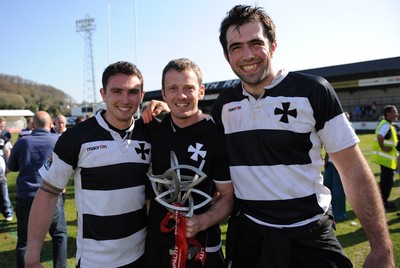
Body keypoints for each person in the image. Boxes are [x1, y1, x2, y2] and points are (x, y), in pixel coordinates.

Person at [143, 5, 394, 267]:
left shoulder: (313, 91)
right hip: (250, 238)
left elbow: (353, 169)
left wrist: (381, 246)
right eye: (236, 47)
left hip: (309, 234)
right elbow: (194, 122)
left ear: (273, 45)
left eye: (256, 43)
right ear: (227, 56)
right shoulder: (226, 104)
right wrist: (162, 108)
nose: (247, 54)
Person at [24, 61, 151, 267]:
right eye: (117, 91)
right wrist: (32, 255)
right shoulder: (76, 137)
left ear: (142, 95)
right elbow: (47, 194)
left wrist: (162, 106)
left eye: (133, 92)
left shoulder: (149, 133)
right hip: (95, 261)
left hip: (142, 256)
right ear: (103, 94)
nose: (125, 99)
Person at [144, 58, 233, 267]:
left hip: (200, 248)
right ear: (163, 93)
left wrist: (203, 221)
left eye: (188, 88)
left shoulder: (216, 134)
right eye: (172, 88)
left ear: (201, 91)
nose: (181, 95)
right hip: (156, 247)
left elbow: (228, 195)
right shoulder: (151, 128)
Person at [7, 111, 67, 268]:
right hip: (52, 193)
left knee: (25, 240)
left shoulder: (22, 142)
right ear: (50, 124)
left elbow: (12, 167)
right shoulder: (58, 140)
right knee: (59, 235)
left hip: (26, 194)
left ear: (32, 125)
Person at [323, 112, 352, 222]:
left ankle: (339, 214)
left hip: (339, 164)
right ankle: (327, 211)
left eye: (347, 118)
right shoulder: (332, 128)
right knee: (327, 187)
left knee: (338, 190)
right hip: (330, 163)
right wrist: (326, 160)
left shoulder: (348, 130)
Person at [371, 105, 399, 210]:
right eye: (395, 112)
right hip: (385, 159)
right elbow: (380, 137)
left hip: (386, 159)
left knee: (384, 181)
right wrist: (383, 147)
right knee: (388, 182)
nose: (397, 114)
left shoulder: (388, 124)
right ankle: (383, 203)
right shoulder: (386, 125)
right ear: (388, 114)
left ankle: (381, 201)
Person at [0, 116, 14, 222]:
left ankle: (8, 211)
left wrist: (9, 164)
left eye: (3, 124)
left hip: (1, 162)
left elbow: (7, 150)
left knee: (3, 188)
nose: (2, 126)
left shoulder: (5, 134)